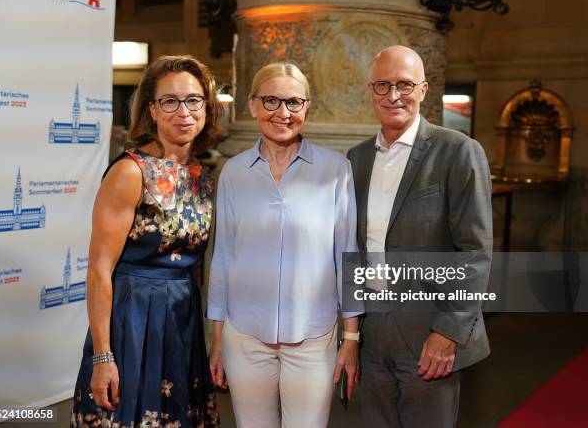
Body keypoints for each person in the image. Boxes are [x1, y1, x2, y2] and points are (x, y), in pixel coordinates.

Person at [207, 62, 362, 428]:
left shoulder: (335, 170)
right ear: (253, 105)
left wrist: (351, 336)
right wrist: (216, 339)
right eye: (272, 100)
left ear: (307, 107)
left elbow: (348, 256)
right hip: (243, 334)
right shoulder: (233, 172)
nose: (283, 112)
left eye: (294, 102)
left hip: (313, 335)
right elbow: (223, 257)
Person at [71, 55, 222, 427]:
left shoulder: (201, 174)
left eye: (193, 100)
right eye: (169, 101)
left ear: (206, 108)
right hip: (132, 322)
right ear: (152, 109)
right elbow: (99, 271)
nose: (183, 112)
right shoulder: (129, 171)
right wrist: (103, 356)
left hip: (182, 321)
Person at [346, 45, 493, 427]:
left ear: (424, 90)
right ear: (370, 90)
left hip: (430, 328)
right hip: (372, 330)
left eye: (404, 84)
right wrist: (351, 334)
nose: (393, 96)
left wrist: (448, 331)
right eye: (383, 85)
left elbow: (474, 252)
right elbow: (352, 249)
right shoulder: (356, 159)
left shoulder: (459, 151)